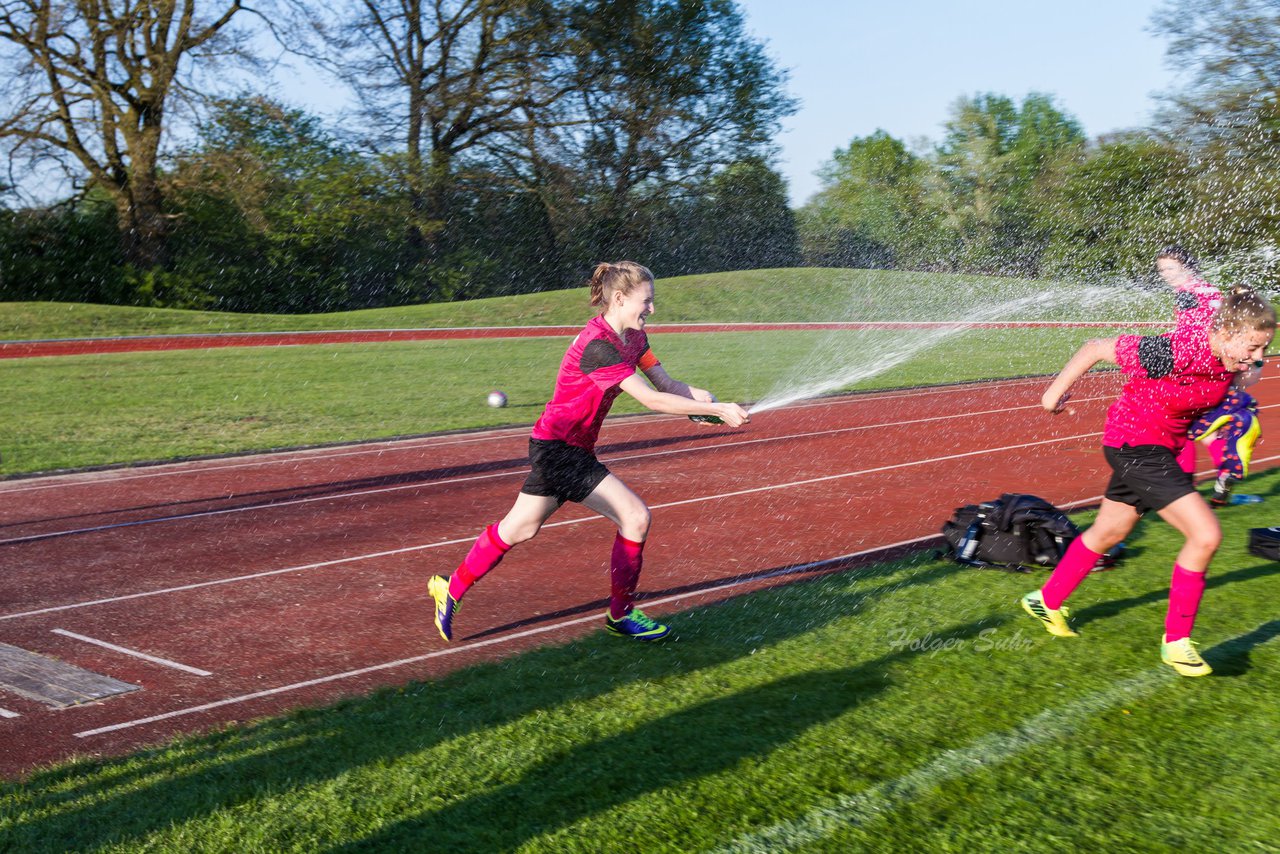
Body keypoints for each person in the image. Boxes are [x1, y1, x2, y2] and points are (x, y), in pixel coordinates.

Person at [427, 261, 750, 643]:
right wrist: (713, 412)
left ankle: (450, 589)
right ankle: (621, 615)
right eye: (646, 301)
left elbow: (666, 384)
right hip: (560, 450)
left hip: (562, 447)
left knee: (520, 527)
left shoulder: (634, 339)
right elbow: (650, 399)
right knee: (635, 517)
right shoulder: (598, 346)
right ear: (619, 299)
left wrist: (707, 400)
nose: (652, 309)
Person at [1021, 285, 1276, 677]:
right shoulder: (1175, 351)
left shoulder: (1232, 351)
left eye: (1265, 349)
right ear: (1225, 334)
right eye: (1253, 348)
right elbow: (1095, 348)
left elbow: (1241, 366)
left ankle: (1045, 600)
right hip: (1135, 444)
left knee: (1109, 531)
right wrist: (1053, 393)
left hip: (1160, 447)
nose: (1259, 359)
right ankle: (1177, 643)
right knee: (1206, 535)